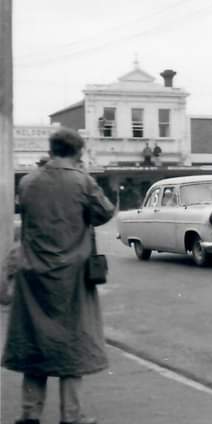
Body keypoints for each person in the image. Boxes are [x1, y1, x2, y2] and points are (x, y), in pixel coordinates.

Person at [3, 128, 115, 424]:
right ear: (77, 152)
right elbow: (105, 213)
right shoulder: (83, 182)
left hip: (33, 275)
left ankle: (30, 414)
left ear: (51, 149)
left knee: (34, 343)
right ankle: (72, 416)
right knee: (72, 346)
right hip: (72, 278)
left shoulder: (28, 182)